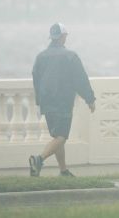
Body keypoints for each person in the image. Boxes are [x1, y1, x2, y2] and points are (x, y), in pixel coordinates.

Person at [29, 22, 96, 177]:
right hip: (63, 102)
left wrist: (39, 102)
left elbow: (36, 80)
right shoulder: (70, 56)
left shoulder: (40, 57)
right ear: (63, 37)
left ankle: (63, 170)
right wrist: (90, 99)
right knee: (61, 137)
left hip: (47, 103)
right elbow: (81, 80)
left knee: (57, 136)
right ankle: (38, 160)